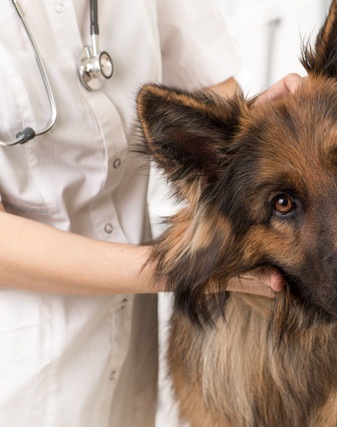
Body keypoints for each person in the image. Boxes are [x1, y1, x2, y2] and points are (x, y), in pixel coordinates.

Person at [0, 1, 301, 425]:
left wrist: (269, 133)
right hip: (19, 361)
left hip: (130, 333)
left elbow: (214, 97)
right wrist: (187, 269)